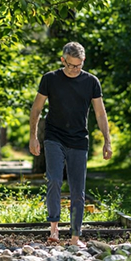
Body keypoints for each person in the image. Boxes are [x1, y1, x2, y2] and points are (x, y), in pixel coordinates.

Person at [29, 41, 113, 247]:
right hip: (54, 137)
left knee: (78, 190)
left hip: (78, 140)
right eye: (70, 65)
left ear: (83, 61)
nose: (74, 70)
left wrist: (107, 141)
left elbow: (100, 113)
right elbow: (37, 109)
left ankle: (75, 237)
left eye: (78, 65)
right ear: (62, 60)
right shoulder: (50, 79)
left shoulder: (91, 82)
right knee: (55, 180)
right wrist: (33, 136)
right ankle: (54, 228)